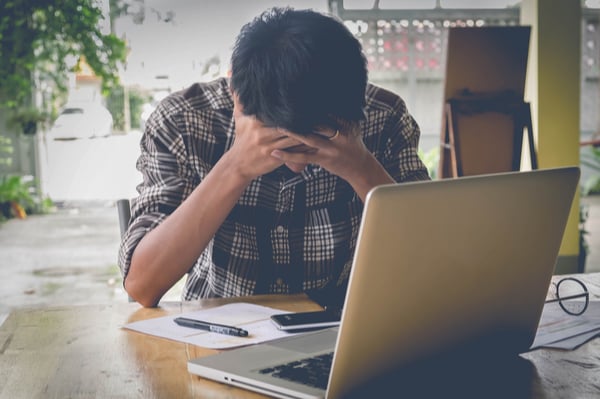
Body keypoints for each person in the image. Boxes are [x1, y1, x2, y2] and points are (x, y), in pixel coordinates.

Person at [118, 7, 430, 308]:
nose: (297, 166)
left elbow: (433, 261)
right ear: (236, 97)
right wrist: (234, 168)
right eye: (280, 142)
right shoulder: (183, 120)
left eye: (317, 142)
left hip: (344, 326)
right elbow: (143, 285)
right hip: (216, 323)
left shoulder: (383, 116)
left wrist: (362, 168)